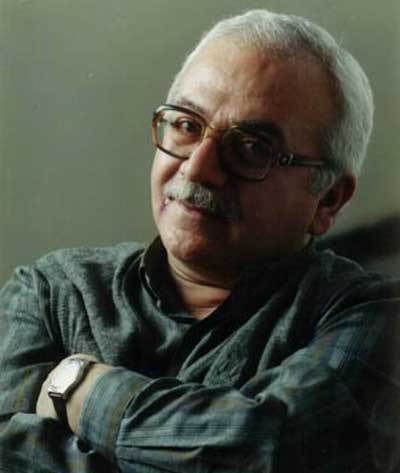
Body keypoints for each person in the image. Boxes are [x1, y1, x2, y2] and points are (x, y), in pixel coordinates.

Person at [0, 8, 399, 473]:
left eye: (251, 147)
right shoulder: (54, 292)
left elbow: (272, 449)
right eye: (188, 126)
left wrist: (80, 389)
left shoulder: (372, 318)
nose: (198, 168)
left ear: (328, 199)